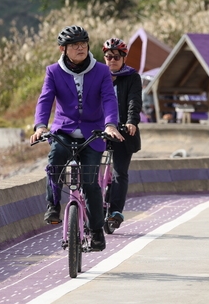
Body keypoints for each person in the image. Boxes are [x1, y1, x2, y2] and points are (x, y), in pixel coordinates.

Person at [30, 25, 124, 252]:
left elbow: (109, 99)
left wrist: (111, 124)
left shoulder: (101, 71)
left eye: (83, 43)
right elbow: (45, 100)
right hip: (63, 131)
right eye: (74, 45)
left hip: (93, 134)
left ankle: (96, 230)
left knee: (91, 183)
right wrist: (41, 126)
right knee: (54, 164)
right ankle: (52, 205)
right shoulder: (53, 71)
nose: (80, 47)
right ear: (63, 49)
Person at [102, 38, 143, 228]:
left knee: (119, 172)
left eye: (116, 57)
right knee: (90, 169)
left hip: (123, 131)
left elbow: (134, 101)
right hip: (100, 130)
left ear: (123, 58)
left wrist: (131, 122)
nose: (112, 61)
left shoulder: (132, 77)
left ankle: (116, 211)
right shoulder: (98, 76)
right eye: (108, 57)